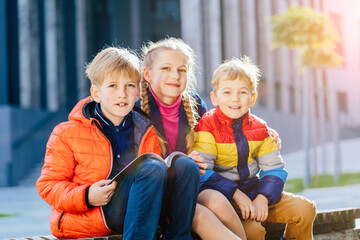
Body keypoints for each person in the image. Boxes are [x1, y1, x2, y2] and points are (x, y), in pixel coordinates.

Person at [36, 47, 199, 240]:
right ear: (96, 93)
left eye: (129, 85)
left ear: (138, 91)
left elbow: (156, 182)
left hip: (139, 211)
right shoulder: (67, 133)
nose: (122, 94)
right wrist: (87, 196)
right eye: (112, 86)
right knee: (151, 167)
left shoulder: (145, 129)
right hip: (95, 215)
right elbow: (48, 185)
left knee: (185, 165)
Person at [193, 57, 317, 240]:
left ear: (252, 98)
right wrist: (236, 194)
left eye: (242, 92)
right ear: (214, 97)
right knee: (253, 232)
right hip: (226, 202)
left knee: (305, 208)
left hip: (255, 191)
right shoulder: (207, 126)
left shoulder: (260, 128)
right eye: (227, 92)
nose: (235, 99)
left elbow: (275, 168)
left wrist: (263, 198)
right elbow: (203, 172)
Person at [138, 37, 246, 240]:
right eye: (166, 69)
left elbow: (218, 133)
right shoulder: (136, 109)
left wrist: (257, 133)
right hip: (156, 194)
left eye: (182, 70)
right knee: (201, 216)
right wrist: (183, 161)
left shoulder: (194, 103)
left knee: (218, 202)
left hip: (191, 187)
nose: (175, 76)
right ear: (148, 74)